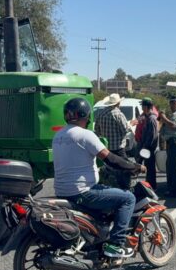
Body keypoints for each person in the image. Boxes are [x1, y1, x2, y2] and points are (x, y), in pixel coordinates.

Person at [52, 97, 146, 258]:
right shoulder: (85, 135)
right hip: (83, 192)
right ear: (85, 115)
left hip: (62, 191)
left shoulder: (58, 136)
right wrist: (134, 167)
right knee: (128, 198)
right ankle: (116, 244)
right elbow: (110, 159)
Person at [95, 93, 137, 158]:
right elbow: (125, 130)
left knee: (109, 166)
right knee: (123, 166)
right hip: (118, 148)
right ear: (118, 103)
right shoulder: (119, 115)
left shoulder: (101, 114)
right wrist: (130, 124)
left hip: (106, 148)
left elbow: (97, 130)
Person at [136, 98, 159, 189]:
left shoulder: (151, 118)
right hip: (146, 147)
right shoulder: (147, 117)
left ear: (146, 107)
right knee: (148, 167)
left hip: (148, 148)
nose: (141, 107)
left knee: (150, 168)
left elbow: (152, 135)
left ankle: (152, 186)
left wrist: (145, 147)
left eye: (142, 105)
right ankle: (150, 185)